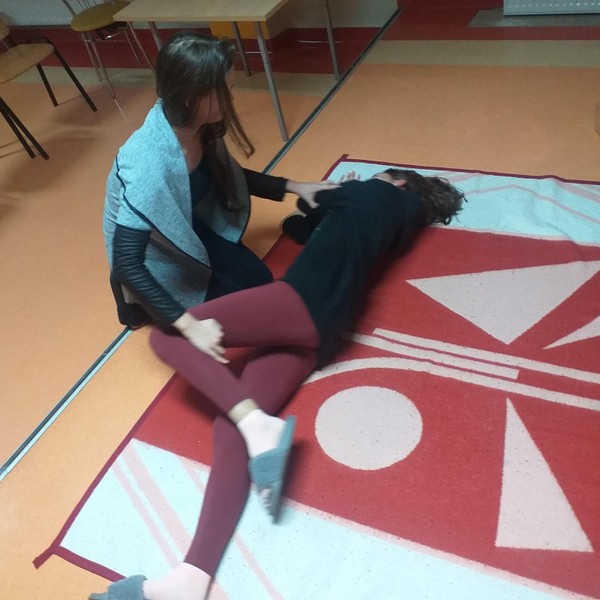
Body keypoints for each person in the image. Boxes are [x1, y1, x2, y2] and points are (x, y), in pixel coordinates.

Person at [89, 168, 465, 600]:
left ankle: (260, 427)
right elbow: (301, 226)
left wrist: (340, 188)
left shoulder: (368, 192)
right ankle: (190, 579)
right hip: (326, 330)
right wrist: (328, 206)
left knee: (169, 335)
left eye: (376, 175)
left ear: (395, 181)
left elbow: (304, 209)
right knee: (231, 427)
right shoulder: (398, 224)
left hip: (300, 299)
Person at [103, 30, 337, 329]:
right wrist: (189, 326)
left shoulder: (200, 125)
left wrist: (294, 187)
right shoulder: (147, 163)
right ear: (190, 97)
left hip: (185, 227)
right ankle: (131, 301)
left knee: (259, 283)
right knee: (235, 320)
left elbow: (228, 175)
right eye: (226, 90)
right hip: (154, 251)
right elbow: (126, 261)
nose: (233, 98)